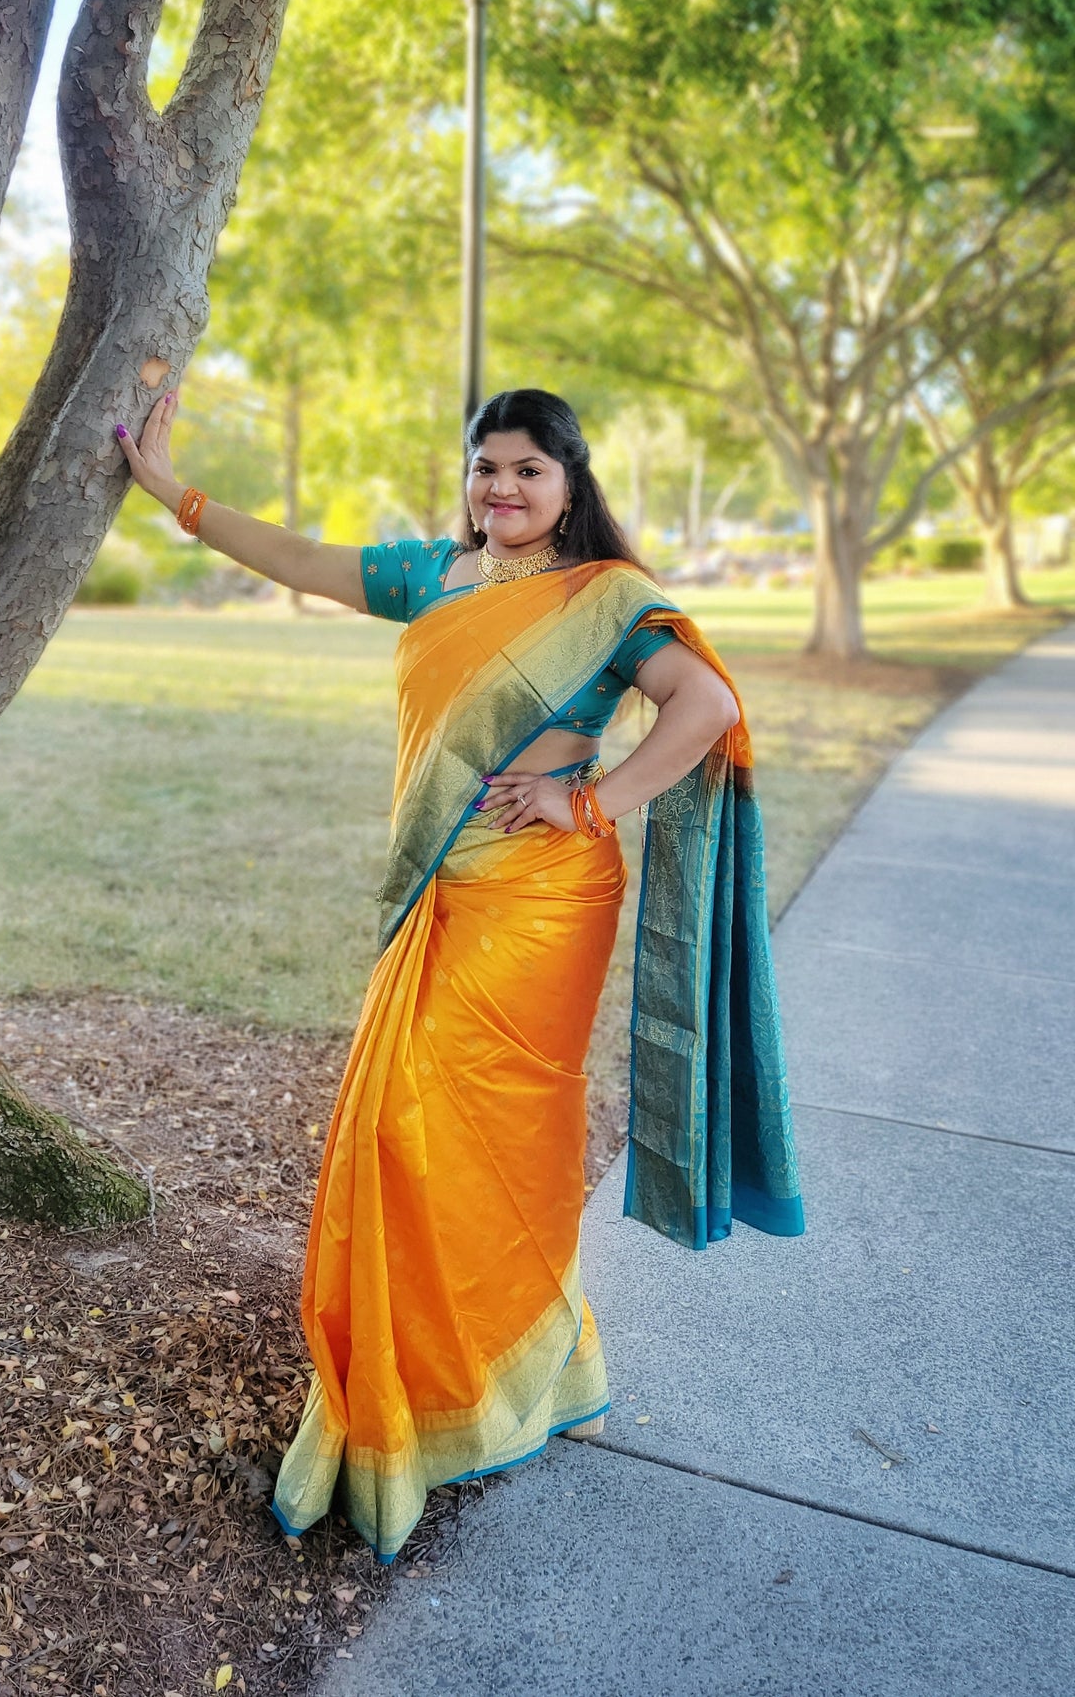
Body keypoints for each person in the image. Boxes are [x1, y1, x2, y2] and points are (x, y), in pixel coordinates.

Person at [115, 384, 803, 1564]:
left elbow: (708, 703)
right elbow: (297, 556)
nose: (503, 488)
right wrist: (170, 487)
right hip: (445, 892)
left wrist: (591, 797)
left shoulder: (607, 601)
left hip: (543, 898)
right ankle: (439, 1383)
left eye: (529, 470)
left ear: (570, 485)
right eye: (488, 466)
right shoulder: (431, 576)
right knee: (402, 1131)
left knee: (482, 1128)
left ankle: (479, 1378)